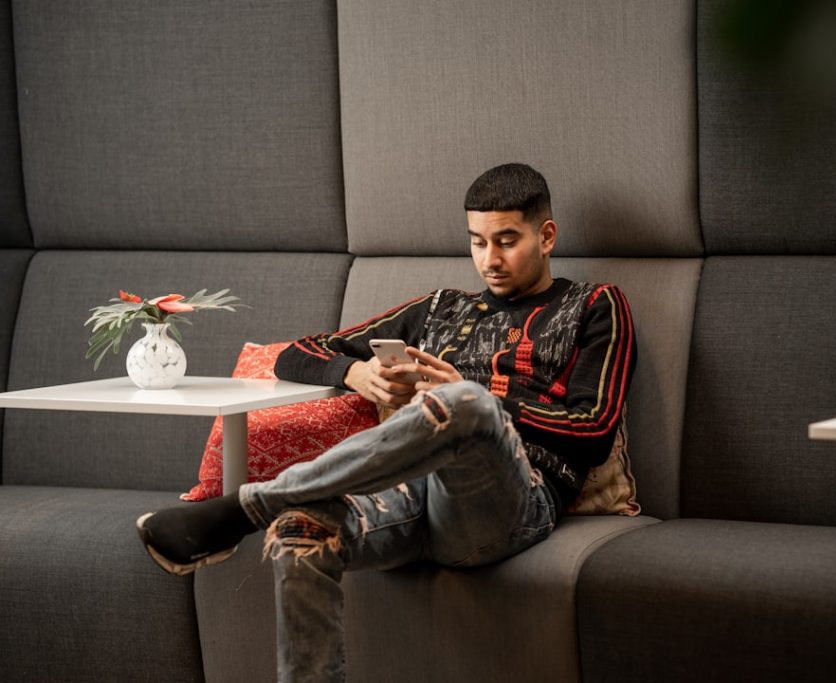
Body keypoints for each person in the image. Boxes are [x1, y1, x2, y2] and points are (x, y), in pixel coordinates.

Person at [136, 162, 637, 681]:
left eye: (506, 241)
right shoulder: (441, 307)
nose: (489, 260)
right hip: (407, 495)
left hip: (510, 500)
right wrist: (356, 372)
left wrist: (477, 399)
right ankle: (275, 512)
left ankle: (247, 507)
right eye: (477, 242)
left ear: (546, 235)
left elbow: (594, 428)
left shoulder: (596, 305)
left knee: (466, 403)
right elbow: (298, 354)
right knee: (300, 534)